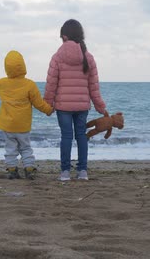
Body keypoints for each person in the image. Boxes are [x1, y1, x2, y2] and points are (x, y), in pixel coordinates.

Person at [44, 19, 107, 181]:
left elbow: (52, 83)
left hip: (63, 106)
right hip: (82, 105)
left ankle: (65, 172)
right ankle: (82, 171)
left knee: (66, 136)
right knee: (81, 135)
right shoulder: (89, 58)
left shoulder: (57, 57)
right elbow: (94, 86)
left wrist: (47, 104)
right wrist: (100, 106)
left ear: (64, 37)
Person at [0, 50, 54, 180]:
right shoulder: (29, 84)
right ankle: (28, 167)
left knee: (10, 148)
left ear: (6, 67)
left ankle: (12, 169)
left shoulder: (2, 83)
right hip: (23, 125)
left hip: (7, 125)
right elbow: (38, 103)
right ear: (23, 66)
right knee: (26, 147)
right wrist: (49, 110)